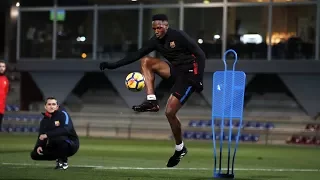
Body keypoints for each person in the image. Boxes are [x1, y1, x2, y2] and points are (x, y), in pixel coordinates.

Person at [99, 14, 206, 167]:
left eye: (159, 27)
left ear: (166, 26)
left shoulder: (179, 35)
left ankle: (180, 148)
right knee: (146, 61)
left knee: (169, 113)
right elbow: (136, 54)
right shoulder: (155, 41)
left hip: (189, 75)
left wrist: (198, 78)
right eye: (154, 28)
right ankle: (151, 100)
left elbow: (200, 54)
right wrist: (113, 65)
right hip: (175, 71)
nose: (156, 31)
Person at [30, 97, 79, 170]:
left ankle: (63, 162)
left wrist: (47, 135)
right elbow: (41, 136)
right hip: (54, 145)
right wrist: (39, 145)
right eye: (49, 104)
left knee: (59, 137)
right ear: (45, 106)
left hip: (70, 144)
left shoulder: (63, 114)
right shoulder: (44, 121)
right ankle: (59, 156)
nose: (51, 106)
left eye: (53, 104)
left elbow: (66, 130)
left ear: (57, 106)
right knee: (34, 154)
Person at [0, 60, 9, 130]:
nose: (1, 68)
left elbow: (5, 93)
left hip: (1, 109)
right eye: (0, 66)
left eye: (3, 66)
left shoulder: (6, 80)